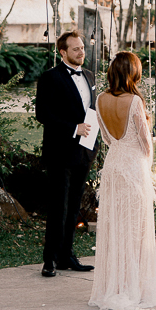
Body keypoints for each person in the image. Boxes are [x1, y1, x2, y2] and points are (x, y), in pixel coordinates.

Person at [89, 51, 156, 310]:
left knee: (115, 226)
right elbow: (144, 141)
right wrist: (147, 166)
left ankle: (115, 284)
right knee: (135, 229)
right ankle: (133, 287)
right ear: (133, 73)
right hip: (132, 167)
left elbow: (108, 139)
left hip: (113, 165)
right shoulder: (134, 102)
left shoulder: (100, 100)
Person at [35, 31, 97, 277]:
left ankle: (67, 256)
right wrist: (74, 128)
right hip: (60, 152)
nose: (81, 52)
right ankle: (50, 260)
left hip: (85, 152)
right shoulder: (50, 77)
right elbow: (43, 114)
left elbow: (90, 109)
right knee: (58, 207)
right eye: (75, 49)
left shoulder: (90, 76)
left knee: (74, 208)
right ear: (63, 52)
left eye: (82, 48)